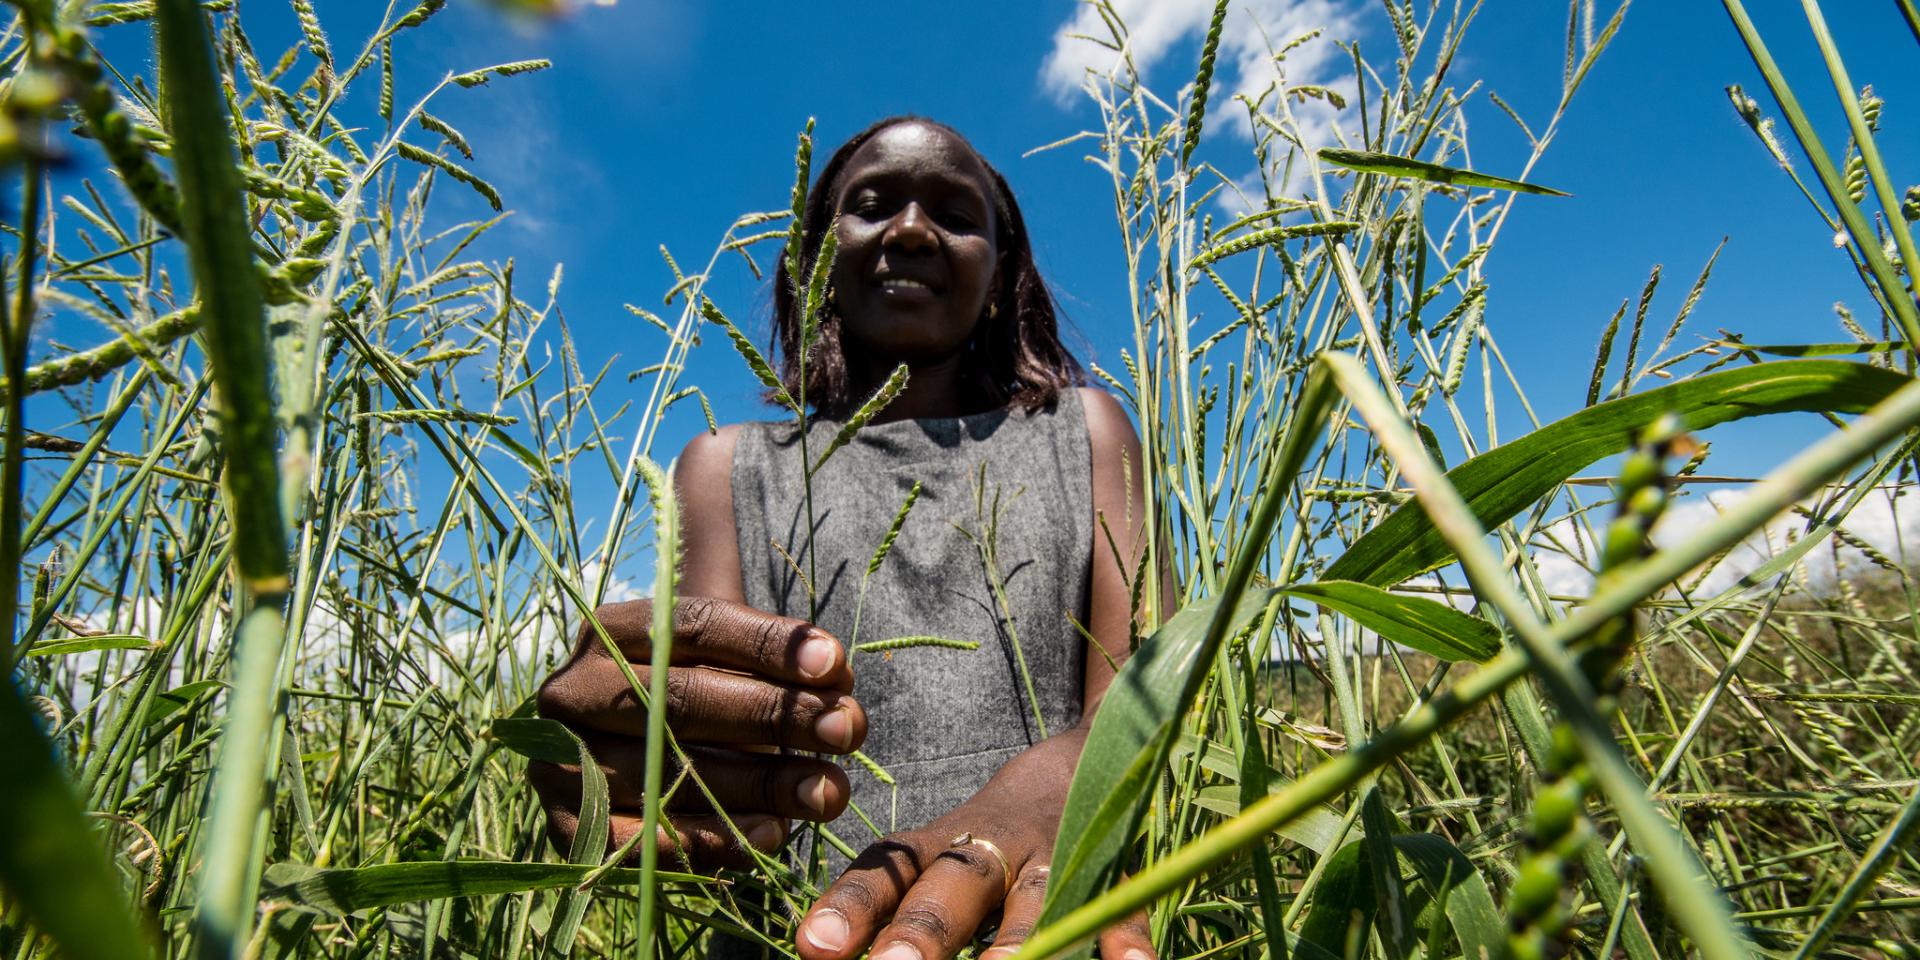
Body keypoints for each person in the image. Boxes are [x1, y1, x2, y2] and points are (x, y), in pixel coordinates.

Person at [531, 116, 1157, 960]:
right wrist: (635, 754)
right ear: (817, 261)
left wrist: (1068, 787)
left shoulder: (1083, 430)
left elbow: (1147, 692)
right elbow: (715, 741)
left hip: (1054, 916)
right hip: (804, 927)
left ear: (1003, 272)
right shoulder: (727, 467)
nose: (910, 229)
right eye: (872, 206)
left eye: (955, 214)